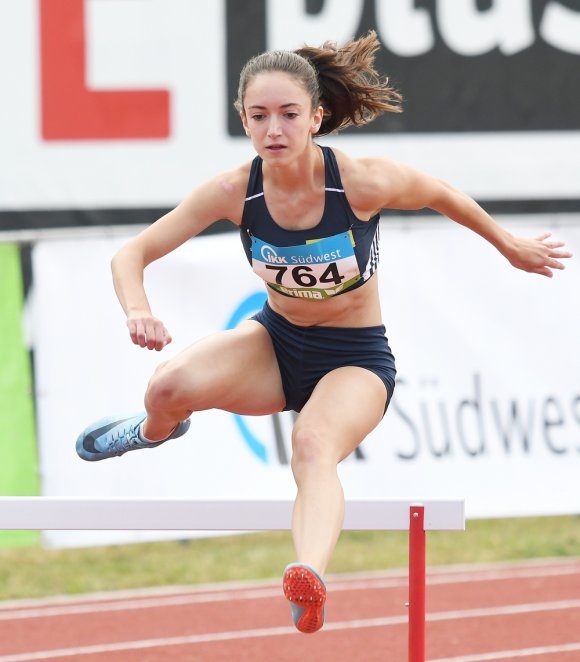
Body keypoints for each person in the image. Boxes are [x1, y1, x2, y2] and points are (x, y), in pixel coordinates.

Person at [76, 31, 571, 634]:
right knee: (166, 386)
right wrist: (136, 310)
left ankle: (307, 577)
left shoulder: (360, 183)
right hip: (274, 343)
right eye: (259, 117)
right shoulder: (235, 191)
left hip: (355, 358)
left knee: (312, 446)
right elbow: (131, 254)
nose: (274, 130)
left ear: (316, 117)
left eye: (288, 115)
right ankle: (153, 432)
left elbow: (443, 194)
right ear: (244, 121)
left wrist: (510, 245)